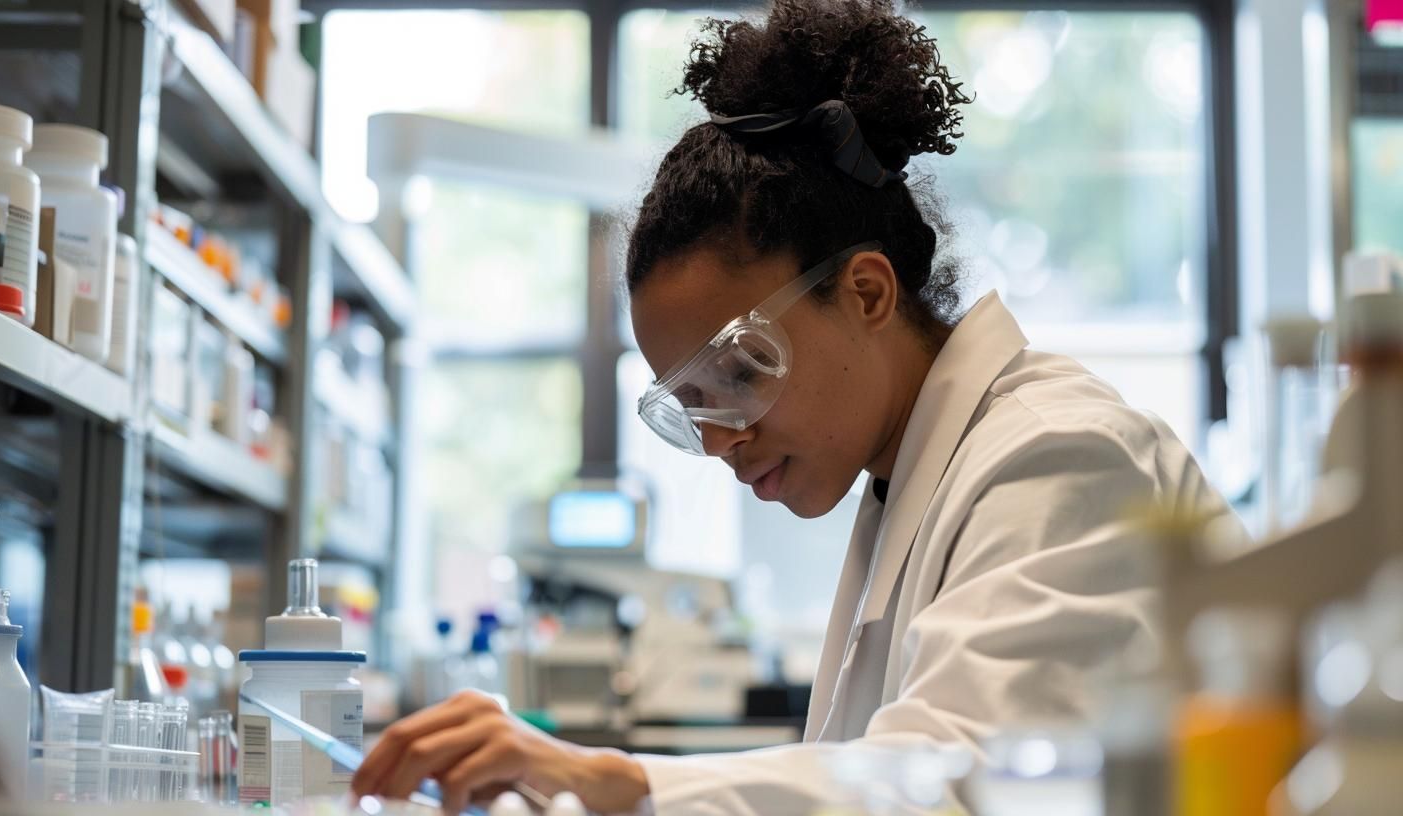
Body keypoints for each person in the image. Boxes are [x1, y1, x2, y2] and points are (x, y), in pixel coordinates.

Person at [352, 0, 1236, 812]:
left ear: (865, 293)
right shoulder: (911, 483)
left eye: (739, 373)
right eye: (689, 408)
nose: (723, 440)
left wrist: (611, 779)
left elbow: (967, 778)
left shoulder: (1059, 455)